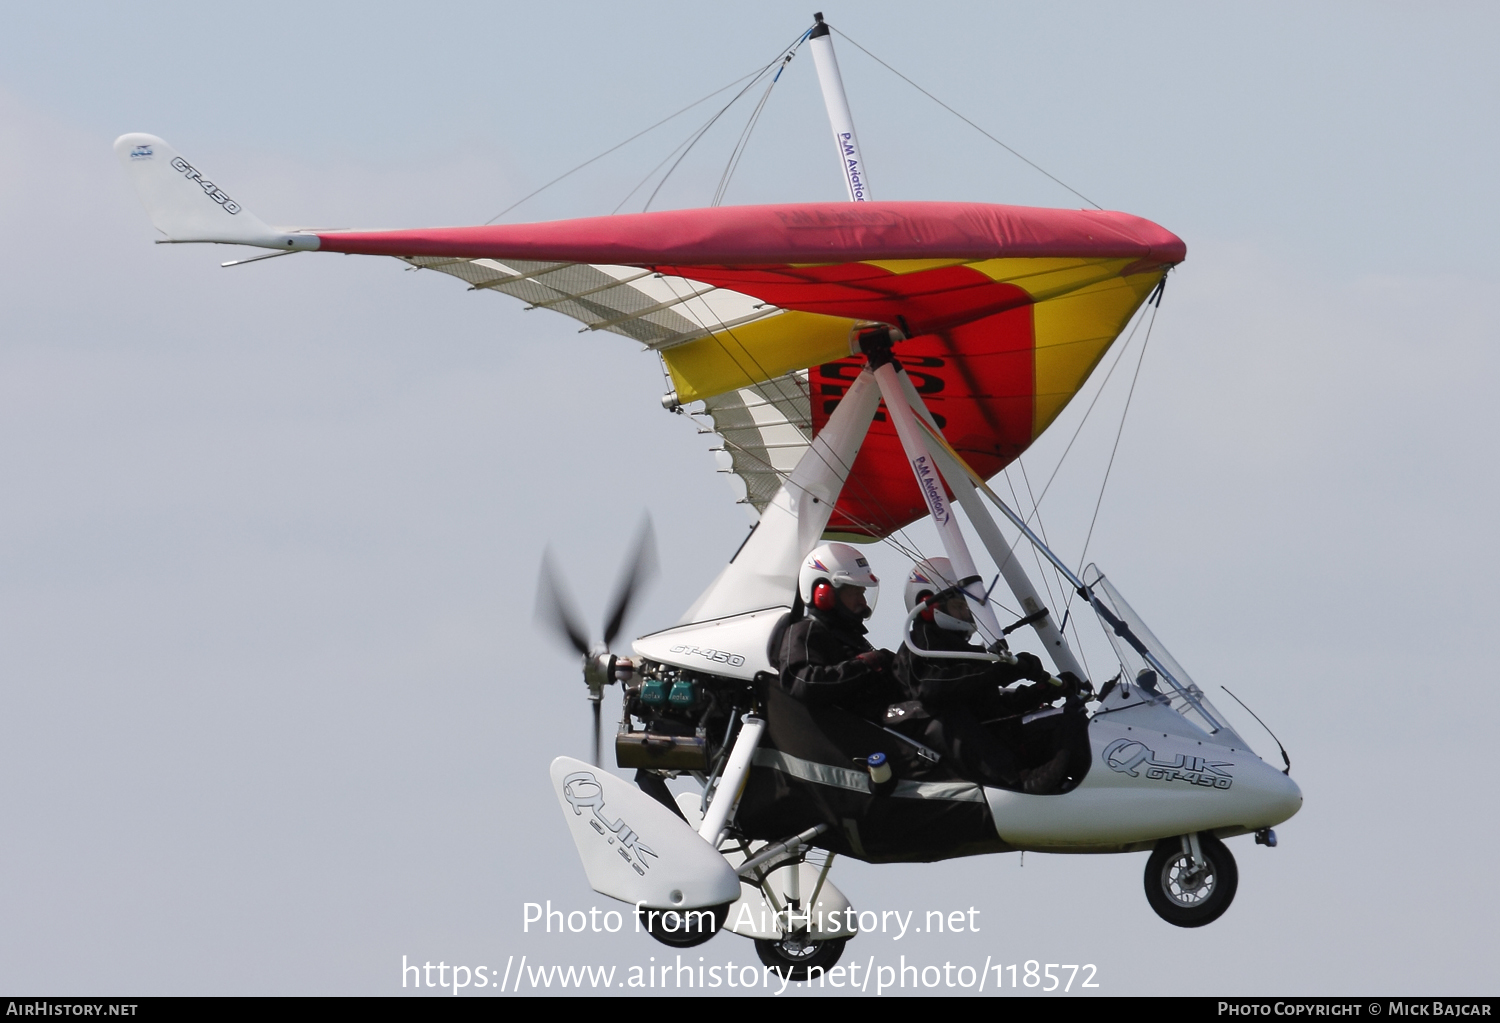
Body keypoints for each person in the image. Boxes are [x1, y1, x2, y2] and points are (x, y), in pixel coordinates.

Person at [890, 558, 1076, 794]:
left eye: (968, 606)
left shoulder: (962, 650)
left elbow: (989, 704)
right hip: (931, 736)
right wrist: (997, 672)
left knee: (1069, 722)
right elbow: (931, 689)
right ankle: (1015, 782)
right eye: (959, 606)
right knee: (950, 712)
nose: (966, 613)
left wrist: (1043, 689)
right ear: (929, 606)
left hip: (982, 736)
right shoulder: (919, 645)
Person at [771, 542, 901, 723]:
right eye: (854, 592)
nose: (862, 602)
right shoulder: (806, 631)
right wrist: (866, 665)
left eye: (862, 592)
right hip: (849, 734)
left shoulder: (850, 636)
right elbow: (802, 682)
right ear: (823, 594)